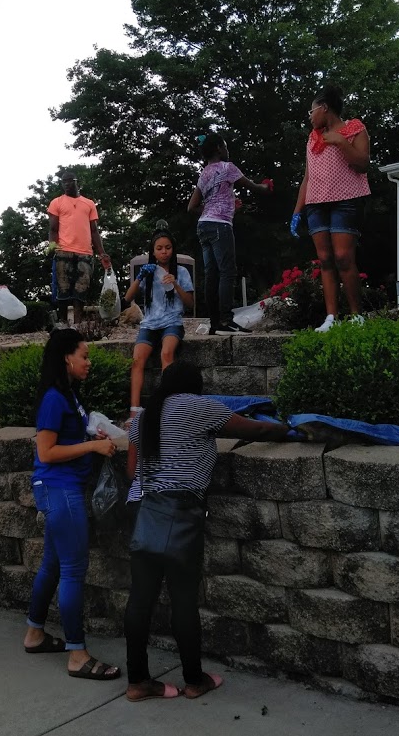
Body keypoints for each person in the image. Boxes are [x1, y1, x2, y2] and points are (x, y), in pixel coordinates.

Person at [124, 362, 299, 702]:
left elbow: (133, 470)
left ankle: (138, 682)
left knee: (140, 600)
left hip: (145, 513)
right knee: (183, 600)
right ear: (195, 385)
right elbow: (255, 430)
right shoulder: (199, 407)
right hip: (181, 515)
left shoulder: (144, 416)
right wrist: (288, 429)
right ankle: (194, 680)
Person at [24, 328, 120, 681]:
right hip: (60, 489)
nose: (88, 362)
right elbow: (46, 451)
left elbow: (65, 438)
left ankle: (34, 634)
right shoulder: (53, 398)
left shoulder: (67, 395)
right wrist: (92, 447)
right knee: (73, 571)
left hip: (63, 489)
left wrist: (91, 435)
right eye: (84, 355)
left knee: (52, 565)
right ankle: (77, 655)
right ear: (67, 357)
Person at [291, 83, 371, 333]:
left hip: (345, 201)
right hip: (316, 204)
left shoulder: (354, 129)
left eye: (312, 111)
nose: (310, 117)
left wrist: (341, 142)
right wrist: (297, 211)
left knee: (344, 258)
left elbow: (363, 164)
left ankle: (357, 316)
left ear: (324, 108)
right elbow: (307, 177)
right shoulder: (313, 138)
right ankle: (330, 318)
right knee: (325, 260)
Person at [188, 134, 272, 334]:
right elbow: (254, 187)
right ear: (219, 148)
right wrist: (266, 187)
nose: (227, 150)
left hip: (204, 226)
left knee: (211, 274)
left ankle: (215, 323)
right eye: (225, 146)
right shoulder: (228, 168)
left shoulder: (204, 173)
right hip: (220, 226)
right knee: (227, 272)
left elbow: (191, 207)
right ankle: (226, 320)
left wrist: (220, 207)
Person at [123, 226, 194, 425]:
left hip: (172, 321)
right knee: (137, 359)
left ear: (173, 249)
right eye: (159, 248)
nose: (164, 252)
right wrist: (140, 277)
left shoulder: (181, 272)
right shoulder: (149, 272)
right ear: (153, 252)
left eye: (168, 248)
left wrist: (176, 284)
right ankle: (134, 411)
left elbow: (190, 304)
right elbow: (127, 298)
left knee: (166, 353)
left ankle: (167, 406)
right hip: (150, 323)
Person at [48, 171, 111, 325]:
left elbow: (94, 230)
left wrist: (102, 253)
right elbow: (53, 228)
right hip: (63, 251)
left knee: (81, 290)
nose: (66, 184)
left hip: (85, 252)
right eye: (63, 182)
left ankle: (78, 325)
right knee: (63, 289)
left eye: (69, 181)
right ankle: (63, 324)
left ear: (76, 182)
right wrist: (52, 246)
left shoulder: (89, 203)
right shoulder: (56, 202)